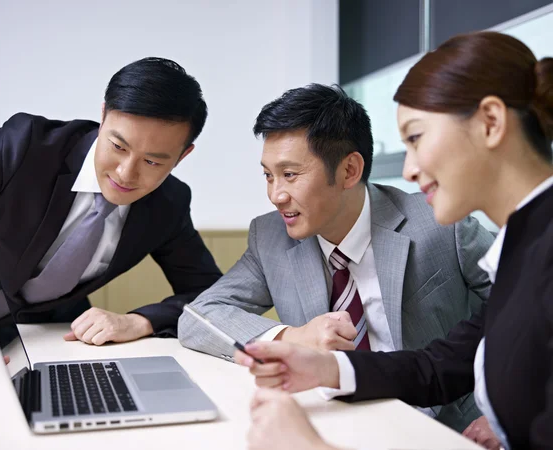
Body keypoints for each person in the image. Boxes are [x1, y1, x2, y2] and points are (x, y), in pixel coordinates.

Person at [235, 31, 553, 450]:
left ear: (491, 123)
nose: (408, 169)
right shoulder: (524, 247)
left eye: (416, 138)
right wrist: (326, 368)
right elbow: (440, 366)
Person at [178, 83, 496, 431]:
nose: (275, 195)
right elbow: (198, 317)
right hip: (335, 425)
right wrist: (293, 337)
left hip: (449, 426)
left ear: (349, 171)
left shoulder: (439, 223)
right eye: (267, 175)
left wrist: (499, 413)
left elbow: (530, 315)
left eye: (289, 174)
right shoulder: (270, 238)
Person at [0, 57, 222, 344]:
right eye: (118, 146)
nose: (125, 173)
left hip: (51, 338)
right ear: (104, 114)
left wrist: (140, 321)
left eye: (152, 162)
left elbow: (210, 294)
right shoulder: (27, 144)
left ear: (183, 155)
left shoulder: (169, 203)